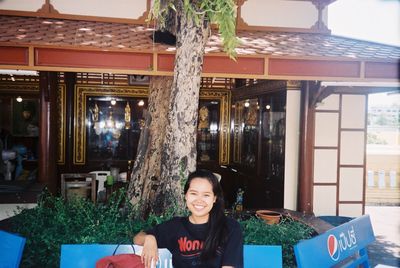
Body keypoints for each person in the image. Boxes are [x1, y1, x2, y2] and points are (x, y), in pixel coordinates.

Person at [133, 169, 243, 268]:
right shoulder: (175, 227)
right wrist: (149, 238)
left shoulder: (230, 228)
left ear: (214, 198)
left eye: (206, 195)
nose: (199, 200)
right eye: (194, 193)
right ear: (186, 196)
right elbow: (137, 238)